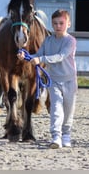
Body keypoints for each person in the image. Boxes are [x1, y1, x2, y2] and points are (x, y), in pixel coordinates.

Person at [17, 9, 77, 149]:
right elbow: (38, 54)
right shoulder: (48, 40)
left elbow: (60, 56)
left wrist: (40, 59)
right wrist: (26, 56)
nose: (58, 26)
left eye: (61, 23)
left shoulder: (70, 41)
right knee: (56, 107)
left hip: (69, 81)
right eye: (55, 23)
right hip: (53, 80)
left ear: (68, 24)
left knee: (69, 110)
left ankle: (66, 134)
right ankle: (56, 136)